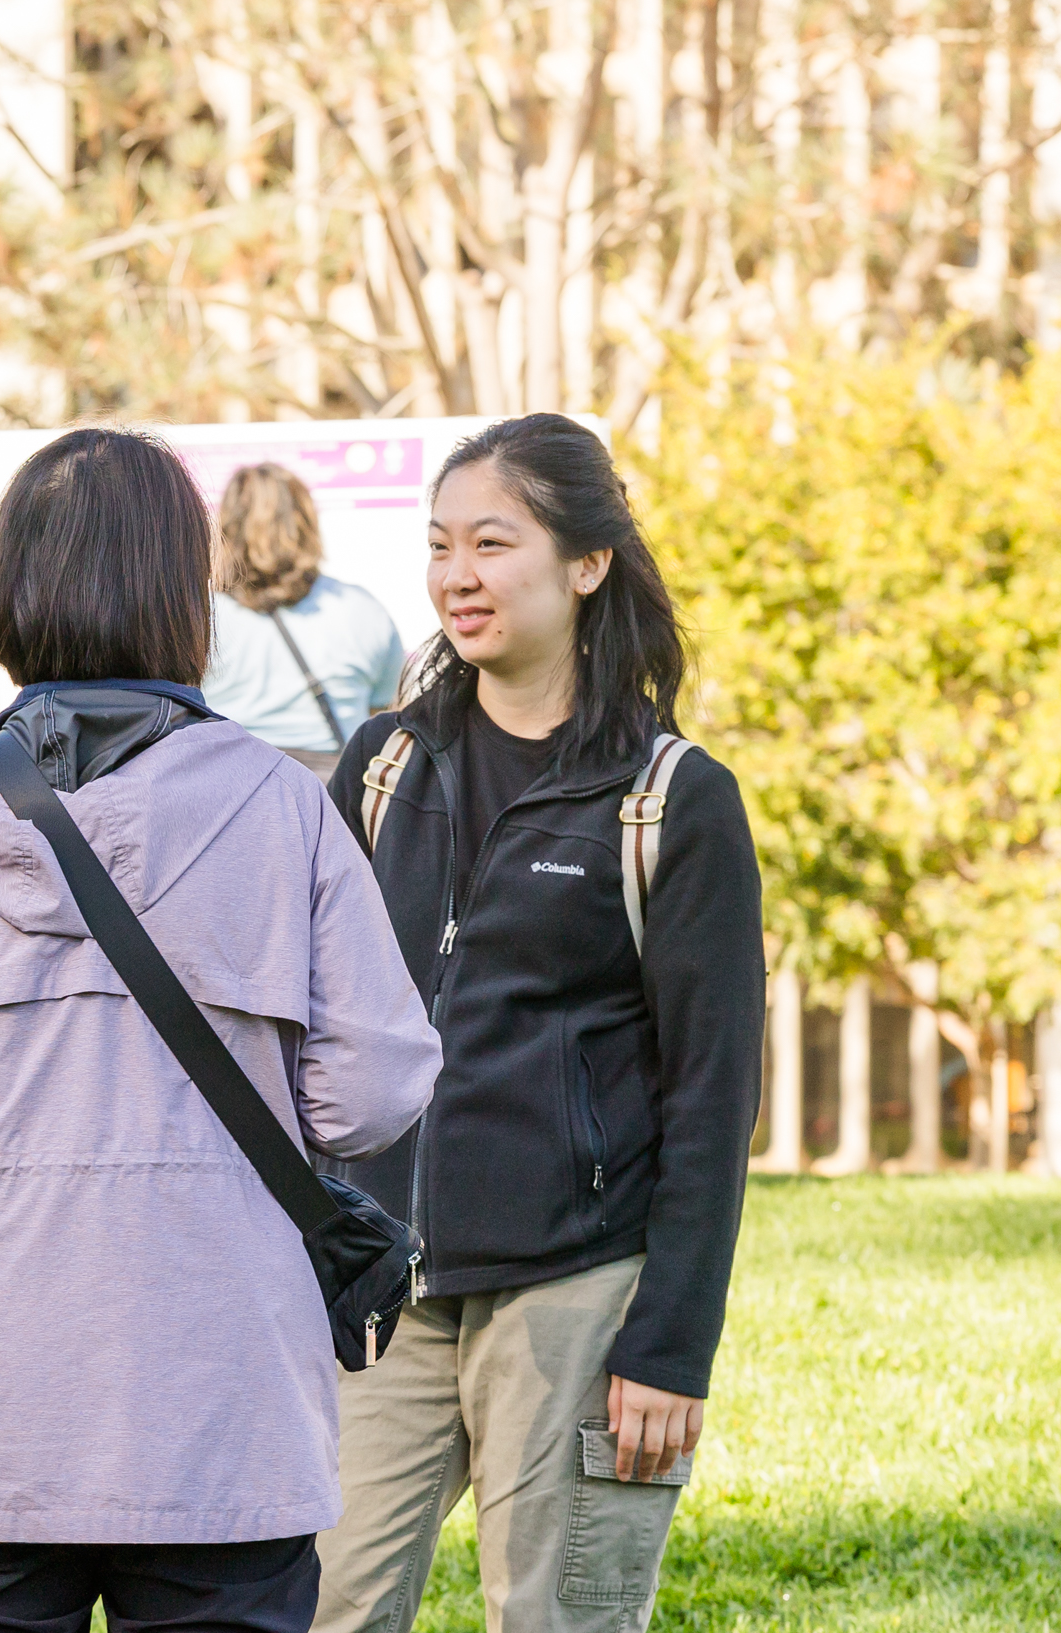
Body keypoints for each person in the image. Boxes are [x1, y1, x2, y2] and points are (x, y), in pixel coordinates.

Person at [0, 427, 441, 1633]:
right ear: (182, 594)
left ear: (0, 595)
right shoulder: (281, 807)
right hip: (221, 1403)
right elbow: (376, 1086)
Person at [312, 414, 765, 1633]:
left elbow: (713, 1094)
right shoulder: (380, 767)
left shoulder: (673, 799)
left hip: (577, 1287)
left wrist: (669, 1344)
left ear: (585, 562)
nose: (457, 575)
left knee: (558, 1621)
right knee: (318, 1606)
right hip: (384, 1281)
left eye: (491, 543)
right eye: (440, 545)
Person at [201, 463, 405, 779]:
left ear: (226, 524)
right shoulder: (361, 608)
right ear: (306, 522)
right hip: (333, 800)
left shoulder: (197, 616)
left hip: (226, 789)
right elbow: (383, 716)